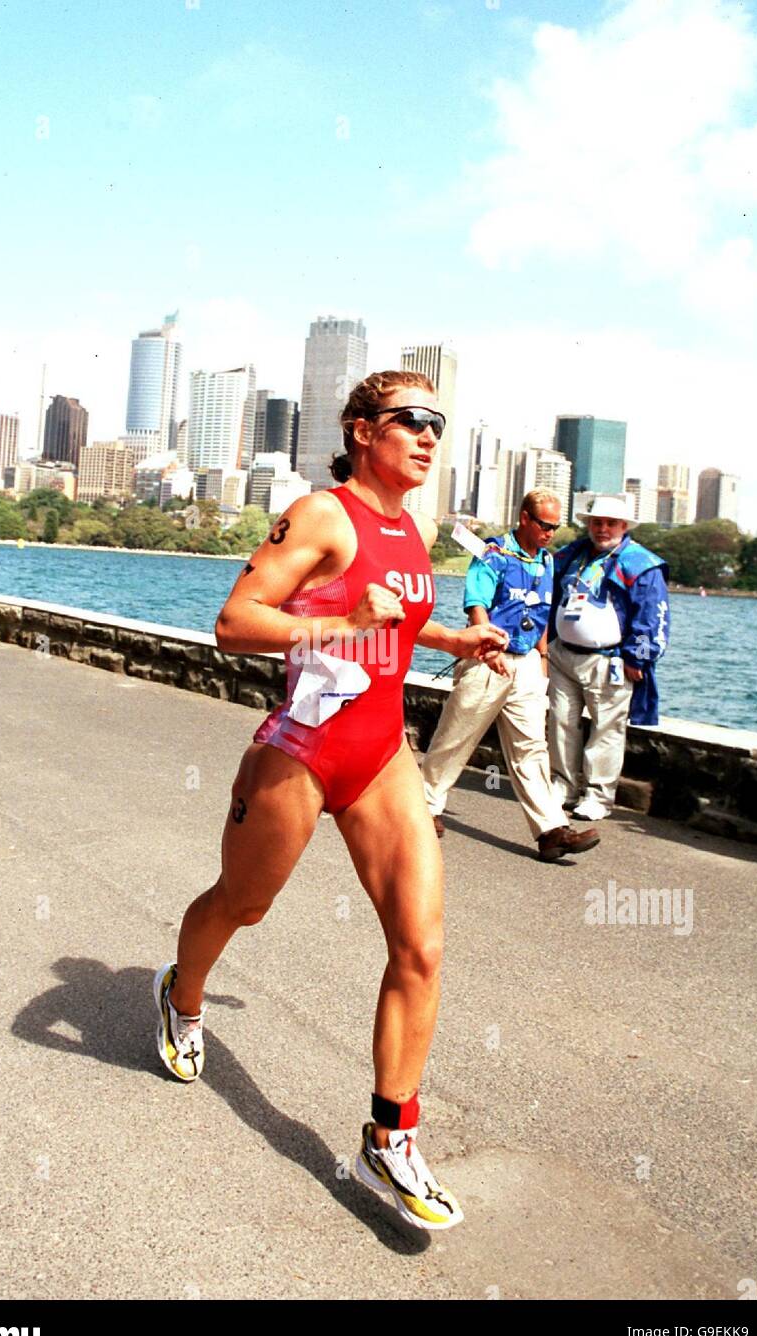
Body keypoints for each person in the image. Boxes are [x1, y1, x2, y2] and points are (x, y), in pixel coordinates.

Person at [154, 370, 508, 1231]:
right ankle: (180, 994)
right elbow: (237, 621)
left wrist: (454, 634)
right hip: (303, 749)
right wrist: (343, 626)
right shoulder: (321, 514)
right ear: (359, 430)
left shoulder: (408, 525)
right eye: (410, 421)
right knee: (244, 902)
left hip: (382, 753)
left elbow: (394, 614)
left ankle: (388, 1143)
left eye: (438, 423)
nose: (429, 436)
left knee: (420, 947)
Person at [421, 490, 600, 862]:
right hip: (488, 657)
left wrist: (544, 658)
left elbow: (544, 613)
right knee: (456, 738)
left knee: (531, 748)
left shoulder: (547, 562)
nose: (551, 532)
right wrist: (488, 649)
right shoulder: (493, 554)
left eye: (555, 526)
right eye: (545, 525)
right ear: (524, 518)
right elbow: (476, 603)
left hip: (527, 664)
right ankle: (425, 808)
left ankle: (551, 830)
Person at [547, 494, 670, 820]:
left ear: (624, 526)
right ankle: (562, 785)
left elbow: (652, 617)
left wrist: (639, 659)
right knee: (560, 722)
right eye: (597, 522)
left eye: (610, 523)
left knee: (606, 730)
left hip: (609, 661)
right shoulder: (572, 555)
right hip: (563, 656)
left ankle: (598, 797)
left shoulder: (641, 564)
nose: (602, 529)